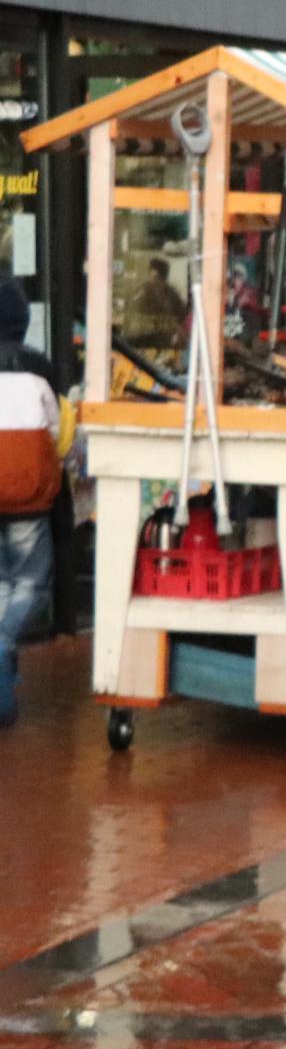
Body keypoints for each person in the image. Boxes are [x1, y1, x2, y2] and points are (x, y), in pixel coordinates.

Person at [0, 279, 66, 728]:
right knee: (30, 584)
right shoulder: (38, 367)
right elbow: (57, 432)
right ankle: (2, 644)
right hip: (27, 498)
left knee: (2, 585)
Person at [123, 256, 187, 355]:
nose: (152, 277)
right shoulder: (170, 293)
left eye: (153, 273)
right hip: (155, 341)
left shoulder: (147, 290)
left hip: (155, 341)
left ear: (154, 273)